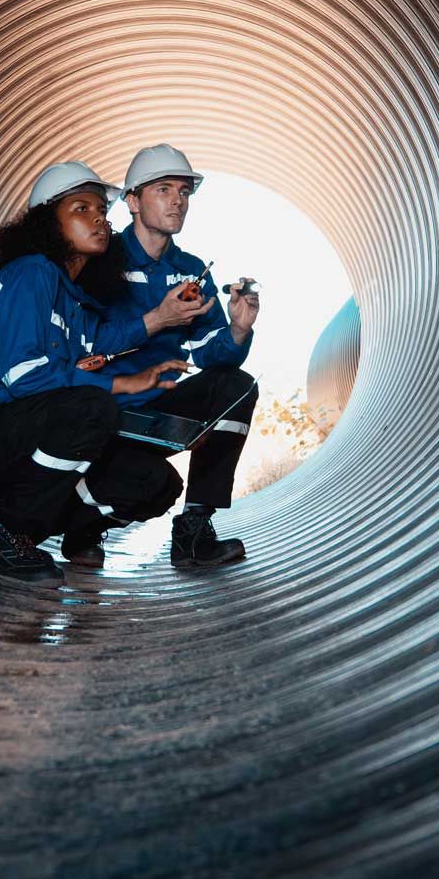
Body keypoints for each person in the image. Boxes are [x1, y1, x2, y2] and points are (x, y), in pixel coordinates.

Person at [0, 161, 215, 586]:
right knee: (92, 407)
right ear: (46, 225)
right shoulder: (32, 273)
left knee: (155, 483)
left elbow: (106, 339)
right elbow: (27, 377)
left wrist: (161, 317)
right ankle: (6, 535)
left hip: (13, 439)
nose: (99, 219)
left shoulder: (74, 302)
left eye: (102, 212)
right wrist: (122, 382)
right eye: (80, 209)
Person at [79, 144, 261, 568]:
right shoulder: (99, 259)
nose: (177, 199)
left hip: (157, 411)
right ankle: (81, 527)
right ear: (132, 201)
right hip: (102, 409)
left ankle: (195, 530)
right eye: (163, 189)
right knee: (151, 485)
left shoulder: (191, 268)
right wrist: (157, 318)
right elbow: (84, 346)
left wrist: (237, 328)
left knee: (236, 387)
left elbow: (209, 354)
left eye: (183, 191)